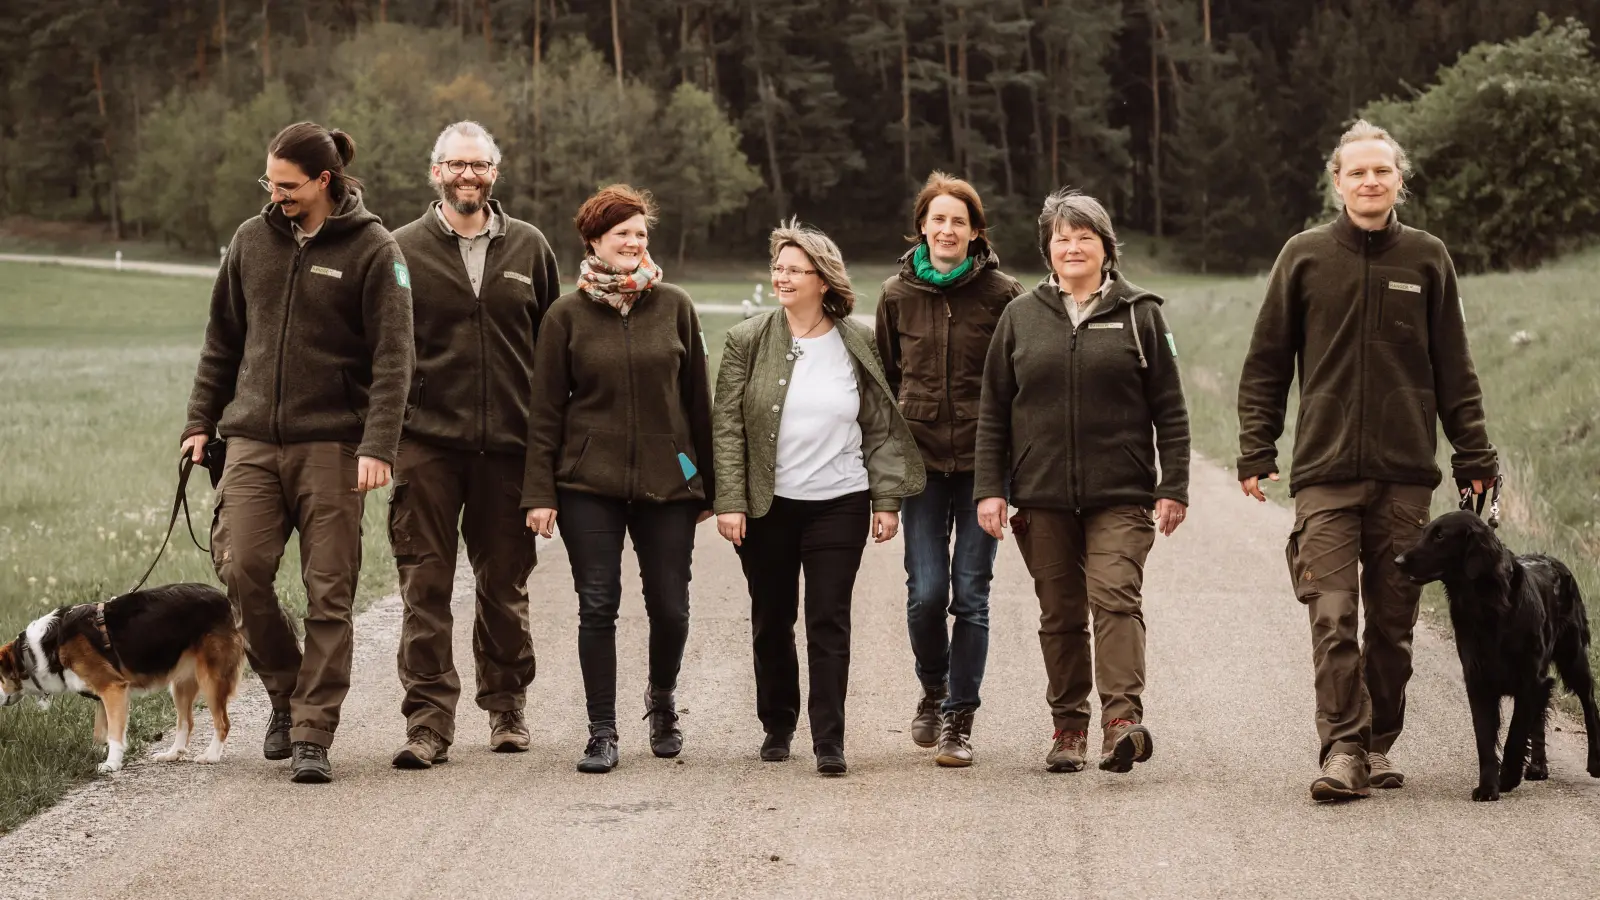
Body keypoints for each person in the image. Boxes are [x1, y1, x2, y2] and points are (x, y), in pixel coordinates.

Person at [1236, 119, 1497, 803]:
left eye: (1382, 170)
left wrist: (1474, 452)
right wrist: (1257, 446)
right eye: (1358, 171)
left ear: (1399, 179)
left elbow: (1455, 366)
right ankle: (1344, 750)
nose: (1370, 181)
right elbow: (1267, 362)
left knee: (1392, 626)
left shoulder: (1428, 257)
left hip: (1405, 475)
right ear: (1338, 182)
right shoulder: (1303, 256)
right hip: (1323, 473)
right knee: (1331, 614)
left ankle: (1378, 740)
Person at [182, 122, 414, 784]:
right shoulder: (250, 242)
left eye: (286, 185)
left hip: (333, 446)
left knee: (329, 593)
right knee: (241, 568)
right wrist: (200, 421)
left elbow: (394, 358)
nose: (274, 194)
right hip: (252, 440)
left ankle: (313, 732)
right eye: (270, 182)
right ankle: (284, 689)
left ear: (323, 181)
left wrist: (378, 445)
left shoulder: (375, 249)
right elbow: (221, 340)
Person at [974, 189, 1189, 775]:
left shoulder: (1141, 313)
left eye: (1084, 237)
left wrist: (1173, 485)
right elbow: (993, 410)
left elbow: (1170, 408)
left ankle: (1122, 723)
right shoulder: (1020, 317)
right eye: (1062, 238)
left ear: (1105, 247)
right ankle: (1068, 727)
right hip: (1041, 494)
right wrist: (990, 488)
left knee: (1115, 596)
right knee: (1061, 613)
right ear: (1048, 248)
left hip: (1121, 492)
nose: (1072, 247)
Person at [713, 219, 926, 776]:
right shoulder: (747, 340)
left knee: (828, 620)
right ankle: (778, 723)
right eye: (778, 268)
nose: (782, 278)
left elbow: (879, 424)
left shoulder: (857, 341)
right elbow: (727, 426)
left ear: (823, 279)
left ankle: (830, 739)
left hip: (840, 502)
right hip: (768, 506)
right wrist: (730, 500)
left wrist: (886, 501)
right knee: (772, 618)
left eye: (794, 270)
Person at [521, 184, 714, 774]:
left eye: (640, 234)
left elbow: (698, 403)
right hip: (588, 486)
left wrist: (711, 485)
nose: (633, 243)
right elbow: (545, 412)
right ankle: (601, 731)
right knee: (597, 606)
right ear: (594, 241)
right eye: (621, 233)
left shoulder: (676, 306)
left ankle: (662, 701)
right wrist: (540, 492)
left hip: (669, 485)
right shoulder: (565, 316)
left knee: (671, 608)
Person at [386, 121, 562, 769]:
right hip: (426, 448)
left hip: (510, 448)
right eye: (457, 165)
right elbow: (382, 349)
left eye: (480, 165)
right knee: (425, 587)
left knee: (504, 587)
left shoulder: (531, 247)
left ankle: (507, 706)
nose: (469, 175)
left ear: (495, 172)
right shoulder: (399, 249)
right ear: (436, 172)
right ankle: (428, 724)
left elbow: (553, 353)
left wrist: (549, 451)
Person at [875, 171, 1023, 767]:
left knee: (971, 595)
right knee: (926, 593)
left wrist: (1011, 473)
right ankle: (932, 689)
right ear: (922, 227)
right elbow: (886, 384)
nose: (947, 229)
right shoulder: (895, 294)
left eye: (959, 221)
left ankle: (960, 718)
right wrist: (884, 477)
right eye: (938, 219)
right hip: (920, 466)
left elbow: (1016, 386)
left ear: (975, 231)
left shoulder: (1003, 295)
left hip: (984, 466)